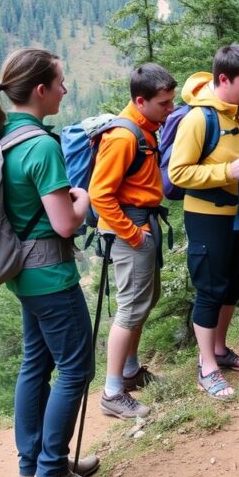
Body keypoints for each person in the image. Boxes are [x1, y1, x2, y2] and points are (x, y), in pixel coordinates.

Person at [0, 48, 108, 477]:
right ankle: (52, 474)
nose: (65, 89)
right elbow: (64, 222)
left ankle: (34, 467)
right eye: (60, 82)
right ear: (41, 91)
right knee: (77, 369)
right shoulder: (42, 145)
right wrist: (83, 199)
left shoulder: (3, 138)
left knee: (36, 364)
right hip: (51, 277)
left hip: (21, 274)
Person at [168, 43, 239, 401]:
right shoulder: (198, 119)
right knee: (211, 289)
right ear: (224, 79)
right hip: (207, 217)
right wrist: (225, 172)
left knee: (236, 284)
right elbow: (179, 173)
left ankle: (220, 349)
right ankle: (206, 367)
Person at [89, 64, 177, 419]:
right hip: (130, 230)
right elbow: (99, 194)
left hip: (142, 226)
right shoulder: (124, 137)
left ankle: (129, 372)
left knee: (146, 299)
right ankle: (112, 392)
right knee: (129, 308)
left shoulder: (146, 127)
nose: (170, 110)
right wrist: (133, 234)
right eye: (163, 103)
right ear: (140, 101)